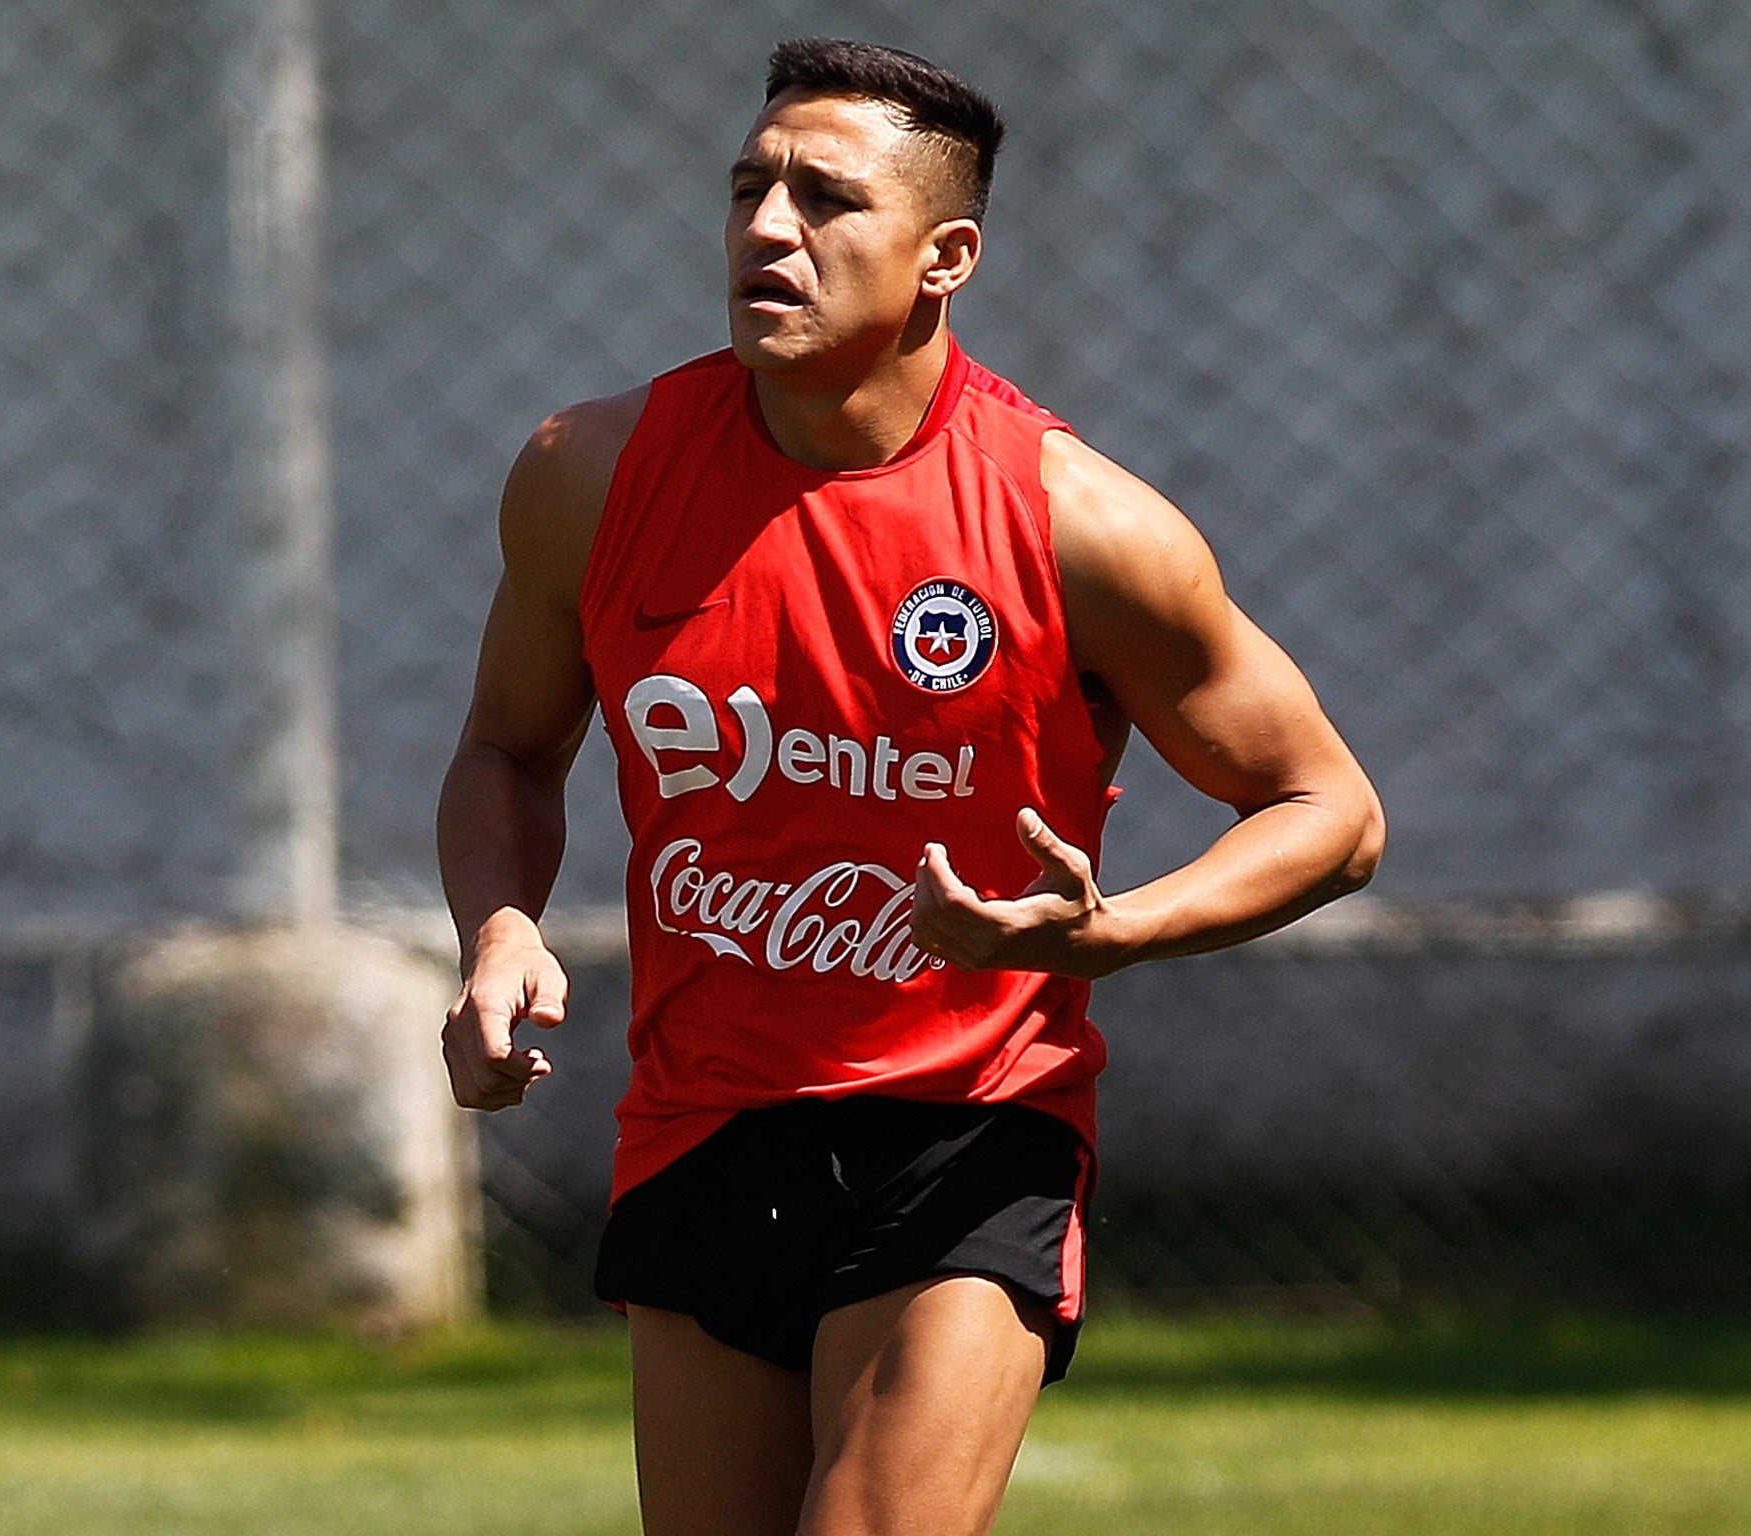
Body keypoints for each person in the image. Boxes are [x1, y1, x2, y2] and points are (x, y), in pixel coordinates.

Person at [437, 36, 1384, 1536]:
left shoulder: (1079, 525)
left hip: (967, 1131)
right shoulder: (592, 474)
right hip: (699, 1119)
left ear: (946, 257)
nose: (765, 228)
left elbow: (1329, 810)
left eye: (825, 199)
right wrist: (498, 927)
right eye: (750, 187)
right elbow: (505, 750)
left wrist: (1118, 932)